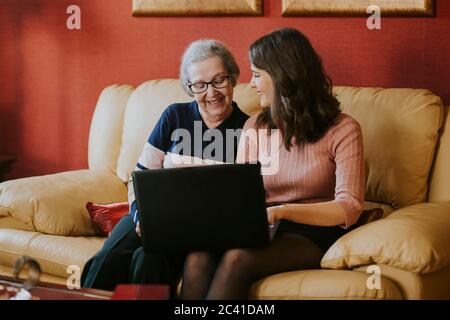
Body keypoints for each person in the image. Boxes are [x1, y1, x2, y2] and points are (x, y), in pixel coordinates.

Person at [180, 28, 365, 300]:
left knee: (237, 260)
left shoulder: (343, 129)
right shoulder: (255, 126)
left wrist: (282, 211)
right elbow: (237, 193)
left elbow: (349, 206)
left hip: (313, 233)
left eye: (257, 75)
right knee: (197, 256)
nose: (251, 84)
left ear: (283, 75)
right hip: (262, 226)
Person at [81, 39, 249, 298]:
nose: (212, 92)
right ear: (190, 88)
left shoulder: (249, 130)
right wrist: (140, 218)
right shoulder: (174, 116)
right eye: (200, 85)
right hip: (152, 217)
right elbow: (140, 177)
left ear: (233, 79)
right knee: (106, 260)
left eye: (219, 80)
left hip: (203, 231)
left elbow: (250, 199)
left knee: (150, 259)